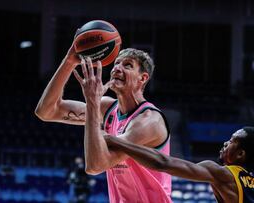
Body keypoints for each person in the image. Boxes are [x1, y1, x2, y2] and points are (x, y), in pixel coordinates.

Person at [35, 39, 172, 201]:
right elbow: (46, 111)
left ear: (142, 78)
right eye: (116, 64)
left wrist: (92, 103)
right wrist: (70, 61)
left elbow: (96, 166)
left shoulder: (148, 121)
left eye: (127, 65)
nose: (117, 68)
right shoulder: (107, 108)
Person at [105, 127, 254, 203]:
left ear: (240, 154)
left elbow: (163, 163)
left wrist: (115, 141)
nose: (225, 143)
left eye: (232, 141)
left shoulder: (225, 175)